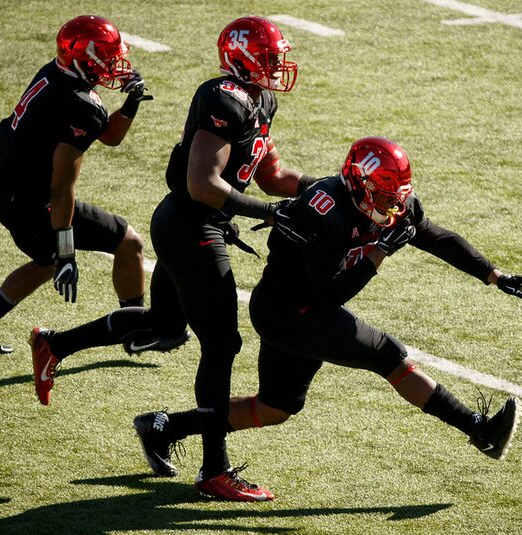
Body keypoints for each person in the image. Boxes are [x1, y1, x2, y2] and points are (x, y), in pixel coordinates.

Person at [131, 136, 522, 501]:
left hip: (302, 310)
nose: (393, 205)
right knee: (388, 355)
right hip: (288, 313)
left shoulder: (392, 200)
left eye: (397, 197)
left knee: (276, 407)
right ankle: (479, 429)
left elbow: (435, 235)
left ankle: (164, 428)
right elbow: (331, 292)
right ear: (359, 185)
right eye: (384, 196)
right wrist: (380, 250)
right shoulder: (324, 209)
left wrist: (493, 274)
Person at [28, 16, 318, 500]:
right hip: (192, 227)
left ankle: (55, 346)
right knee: (222, 345)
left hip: (191, 224)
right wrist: (267, 213)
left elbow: (270, 174)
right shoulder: (222, 96)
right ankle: (214, 470)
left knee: (165, 323)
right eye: (267, 58)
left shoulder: (259, 98)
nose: (276, 66)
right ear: (240, 59)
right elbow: (202, 184)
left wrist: (329, 189)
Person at [0, 15, 183, 356]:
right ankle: (137, 328)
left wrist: (130, 105)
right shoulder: (80, 103)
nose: (114, 63)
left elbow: (109, 135)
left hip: (6, 188)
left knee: (54, 261)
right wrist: (66, 250)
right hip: (30, 201)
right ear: (83, 57)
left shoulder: (56, 73)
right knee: (125, 242)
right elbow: (62, 188)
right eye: (105, 56)